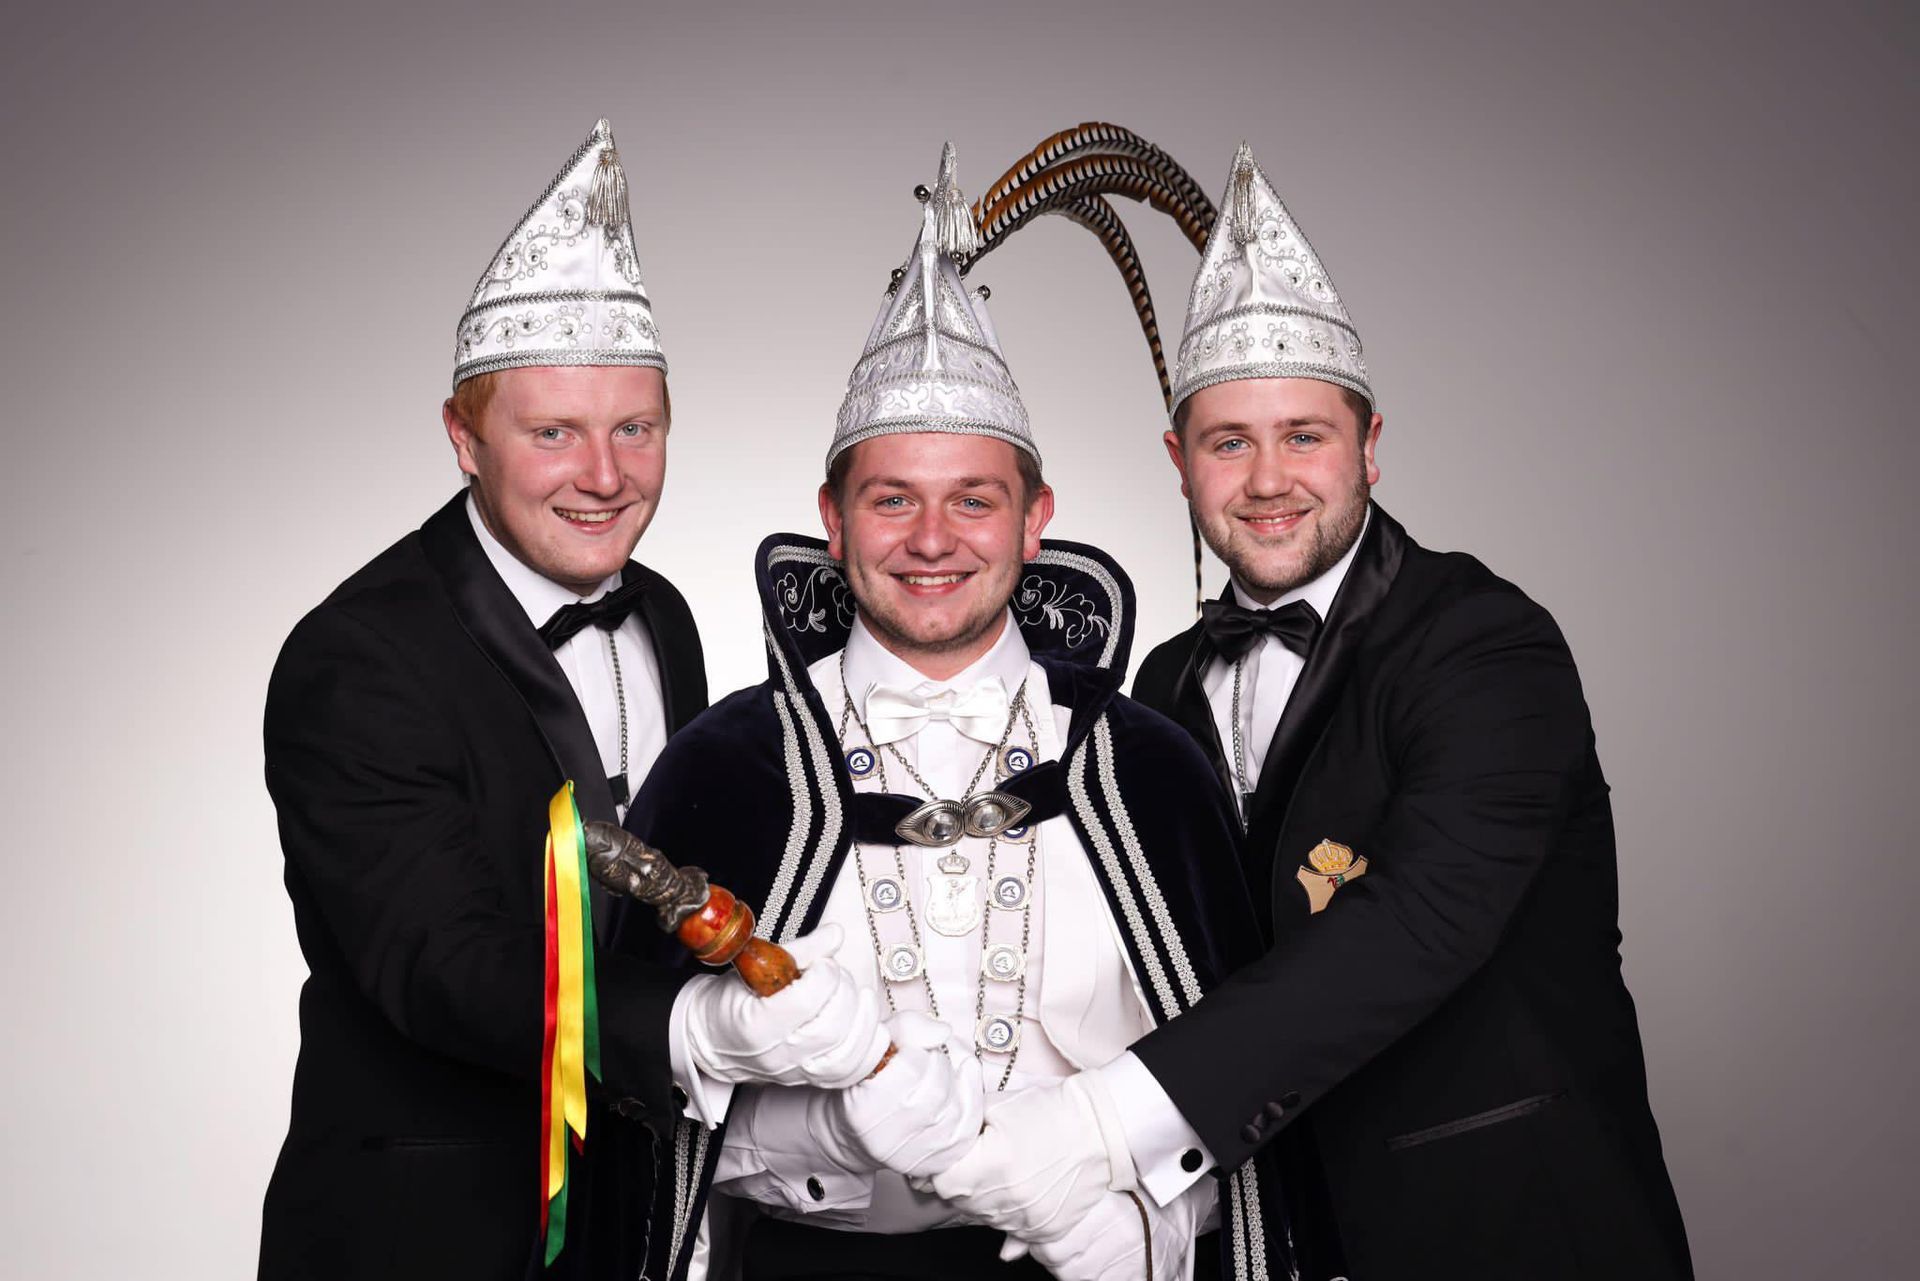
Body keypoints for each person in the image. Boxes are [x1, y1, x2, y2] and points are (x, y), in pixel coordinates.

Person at [929, 144, 1695, 1280]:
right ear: (1179, 461)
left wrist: (1099, 1125)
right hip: (1270, 1234)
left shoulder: (1487, 645)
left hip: (1515, 1230)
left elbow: (1417, 924)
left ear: (1370, 448)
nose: (1268, 480)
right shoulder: (1166, 682)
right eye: (1229, 442)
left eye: (1305, 436)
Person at [611, 144, 1257, 1281]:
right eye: (892, 499)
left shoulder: (1149, 768)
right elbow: (627, 1087)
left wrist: (1152, 1228)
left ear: (1035, 520)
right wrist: (821, 1131)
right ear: (833, 518)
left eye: (974, 500)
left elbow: (1249, 1064)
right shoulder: (722, 769)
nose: (931, 540)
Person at [260, 120, 883, 1281]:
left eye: (635, 429)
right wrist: (693, 1030)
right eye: (553, 433)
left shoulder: (663, 612)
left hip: (641, 1212)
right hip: (435, 1233)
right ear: (465, 439)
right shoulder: (355, 658)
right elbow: (439, 966)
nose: (605, 476)